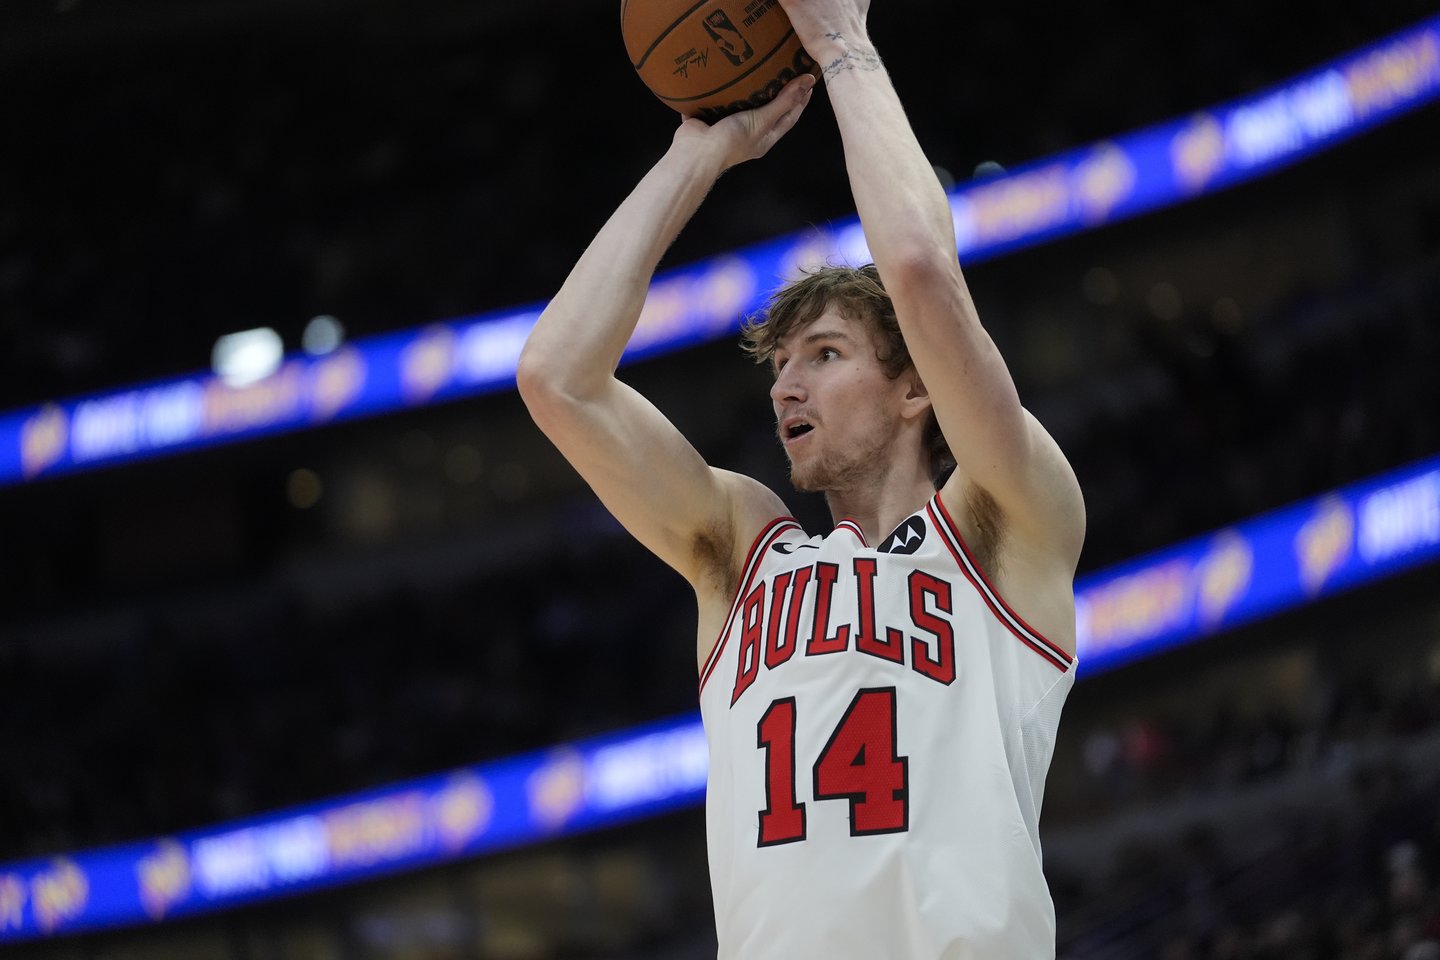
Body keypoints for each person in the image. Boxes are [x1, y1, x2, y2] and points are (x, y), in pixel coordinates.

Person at [517, 0, 1085, 955]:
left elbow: (918, 267)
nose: (786, 385)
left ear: (915, 388)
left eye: (824, 354)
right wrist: (698, 153)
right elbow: (556, 378)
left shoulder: (1006, 520)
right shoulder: (743, 551)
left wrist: (843, 48)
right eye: (780, 364)